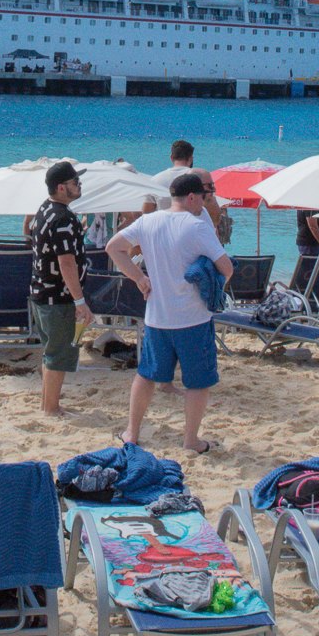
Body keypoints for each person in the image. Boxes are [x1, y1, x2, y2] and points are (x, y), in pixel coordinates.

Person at [106, 173, 233, 454]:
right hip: (193, 318)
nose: (205, 201)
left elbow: (113, 248)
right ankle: (190, 441)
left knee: (146, 376)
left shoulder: (148, 221)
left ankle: (132, 432)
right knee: (197, 383)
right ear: (191, 197)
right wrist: (209, 280)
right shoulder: (197, 225)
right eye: (203, 196)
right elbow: (227, 268)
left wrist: (139, 278)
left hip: (157, 317)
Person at [29, 161, 91, 418]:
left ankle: (48, 404)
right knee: (59, 353)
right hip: (58, 297)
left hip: (42, 293)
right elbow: (66, 263)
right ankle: (52, 409)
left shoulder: (45, 209)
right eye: (76, 182)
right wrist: (80, 301)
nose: (80, 185)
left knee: (51, 351)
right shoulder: (63, 218)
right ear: (61, 187)